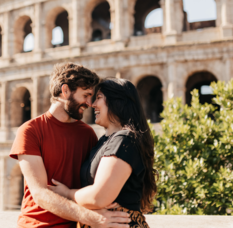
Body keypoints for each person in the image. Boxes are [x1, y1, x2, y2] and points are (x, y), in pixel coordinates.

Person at [10, 63, 131, 228]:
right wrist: (92, 218)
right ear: (65, 91)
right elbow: (40, 193)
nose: (90, 103)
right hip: (37, 224)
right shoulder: (30, 130)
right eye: (86, 95)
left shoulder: (87, 134)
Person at [49, 78, 158, 228]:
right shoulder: (105, 141)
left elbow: (99, 197)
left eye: (99, 98)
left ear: (117, 102)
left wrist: (67, 193)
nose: (92, 104)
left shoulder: (124, 139)